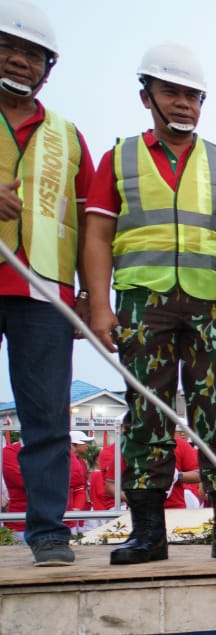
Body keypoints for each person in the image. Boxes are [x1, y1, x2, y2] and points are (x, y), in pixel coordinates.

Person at [84, 43, 216, 565]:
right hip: (144, 303)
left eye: (193, 95)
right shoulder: (119, 158)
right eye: (172, 92)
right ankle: (147, 534)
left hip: (212, 305)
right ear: (148, 97)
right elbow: (97, 236)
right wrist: (100, 307)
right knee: (147, 414)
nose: (184, 103)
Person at [0, 1, 92, 566]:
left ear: (48, 69)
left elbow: (84, 222)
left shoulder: (67, 134)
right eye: (9, 47)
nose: (19, 60)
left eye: (33, 54)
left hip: (43, 290)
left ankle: (48, 531)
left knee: (47, 417)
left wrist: (86, 295)